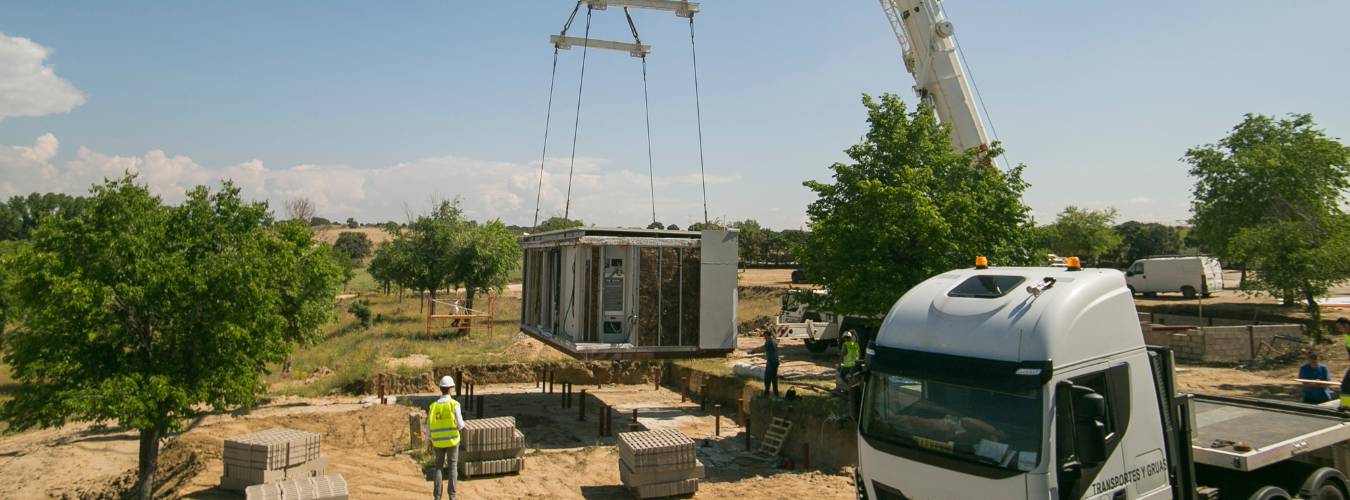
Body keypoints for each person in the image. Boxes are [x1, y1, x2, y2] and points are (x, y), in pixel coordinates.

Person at [425, 375, 464, 500]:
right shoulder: (454, 404)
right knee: (453, 467)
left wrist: (429, 441)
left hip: (438, 443)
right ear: (451, 388)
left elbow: (428, 428)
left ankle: (437, 496)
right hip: (452, 441)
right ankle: (452, 496)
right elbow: (461, 424)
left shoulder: (433, 406)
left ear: (440, 388)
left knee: (439, 467)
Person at [761, 329, 780, 397]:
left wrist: (752, 351)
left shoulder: (768, 342)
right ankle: (776, 394)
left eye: (765, 336)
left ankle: (766, 393)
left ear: (767, 335)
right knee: (774, 378)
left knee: (767, 378)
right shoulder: (774, 341)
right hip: (776, 361)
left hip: (771, 362)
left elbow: (762, 349)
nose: (764, 338)